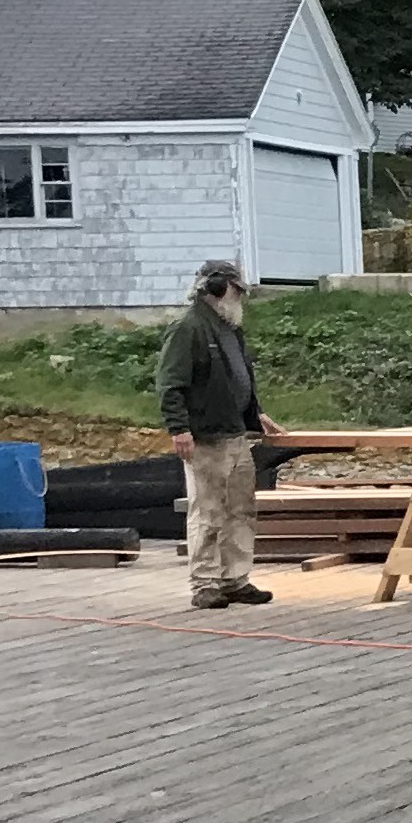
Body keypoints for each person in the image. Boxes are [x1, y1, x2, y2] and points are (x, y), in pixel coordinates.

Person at [156, 257, 286, 610]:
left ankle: (235, 579)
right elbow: (171, 384)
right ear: (219, 288)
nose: (240, 298)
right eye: (236, 290)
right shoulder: (188, 328)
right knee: (208, 511)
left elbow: (236, 379)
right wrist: (179, 428)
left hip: (234, 434)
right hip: (205, 436)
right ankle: (205, 582)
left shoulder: (228, 328)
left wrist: (256, 414)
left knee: (240, 509)